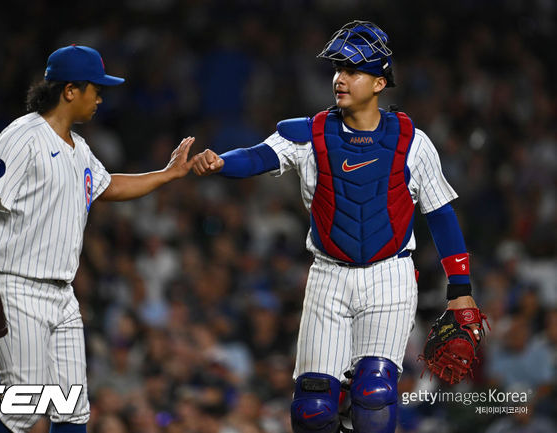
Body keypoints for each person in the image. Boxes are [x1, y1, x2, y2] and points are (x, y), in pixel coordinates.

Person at [192, 21, 482, 433]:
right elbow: (258, 157)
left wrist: (460, 290)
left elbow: (441, 213)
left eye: (353, 70)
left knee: (375, 393)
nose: (340, 79)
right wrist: (220, 162)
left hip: (390, 276)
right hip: (328, 276)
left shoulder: (411, 141)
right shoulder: (309, 134)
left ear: (380, 82)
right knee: (311, 408)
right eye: (338, 69)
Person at [0, 45, 195, 433]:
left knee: (72, 408)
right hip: (17, 287)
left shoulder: (79, 148)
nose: (100, 98)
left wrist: (167, 174)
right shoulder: (24, 135)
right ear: (70, 90)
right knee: (24, 407)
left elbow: (109, 187)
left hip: (63, 295)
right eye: (95, 89)